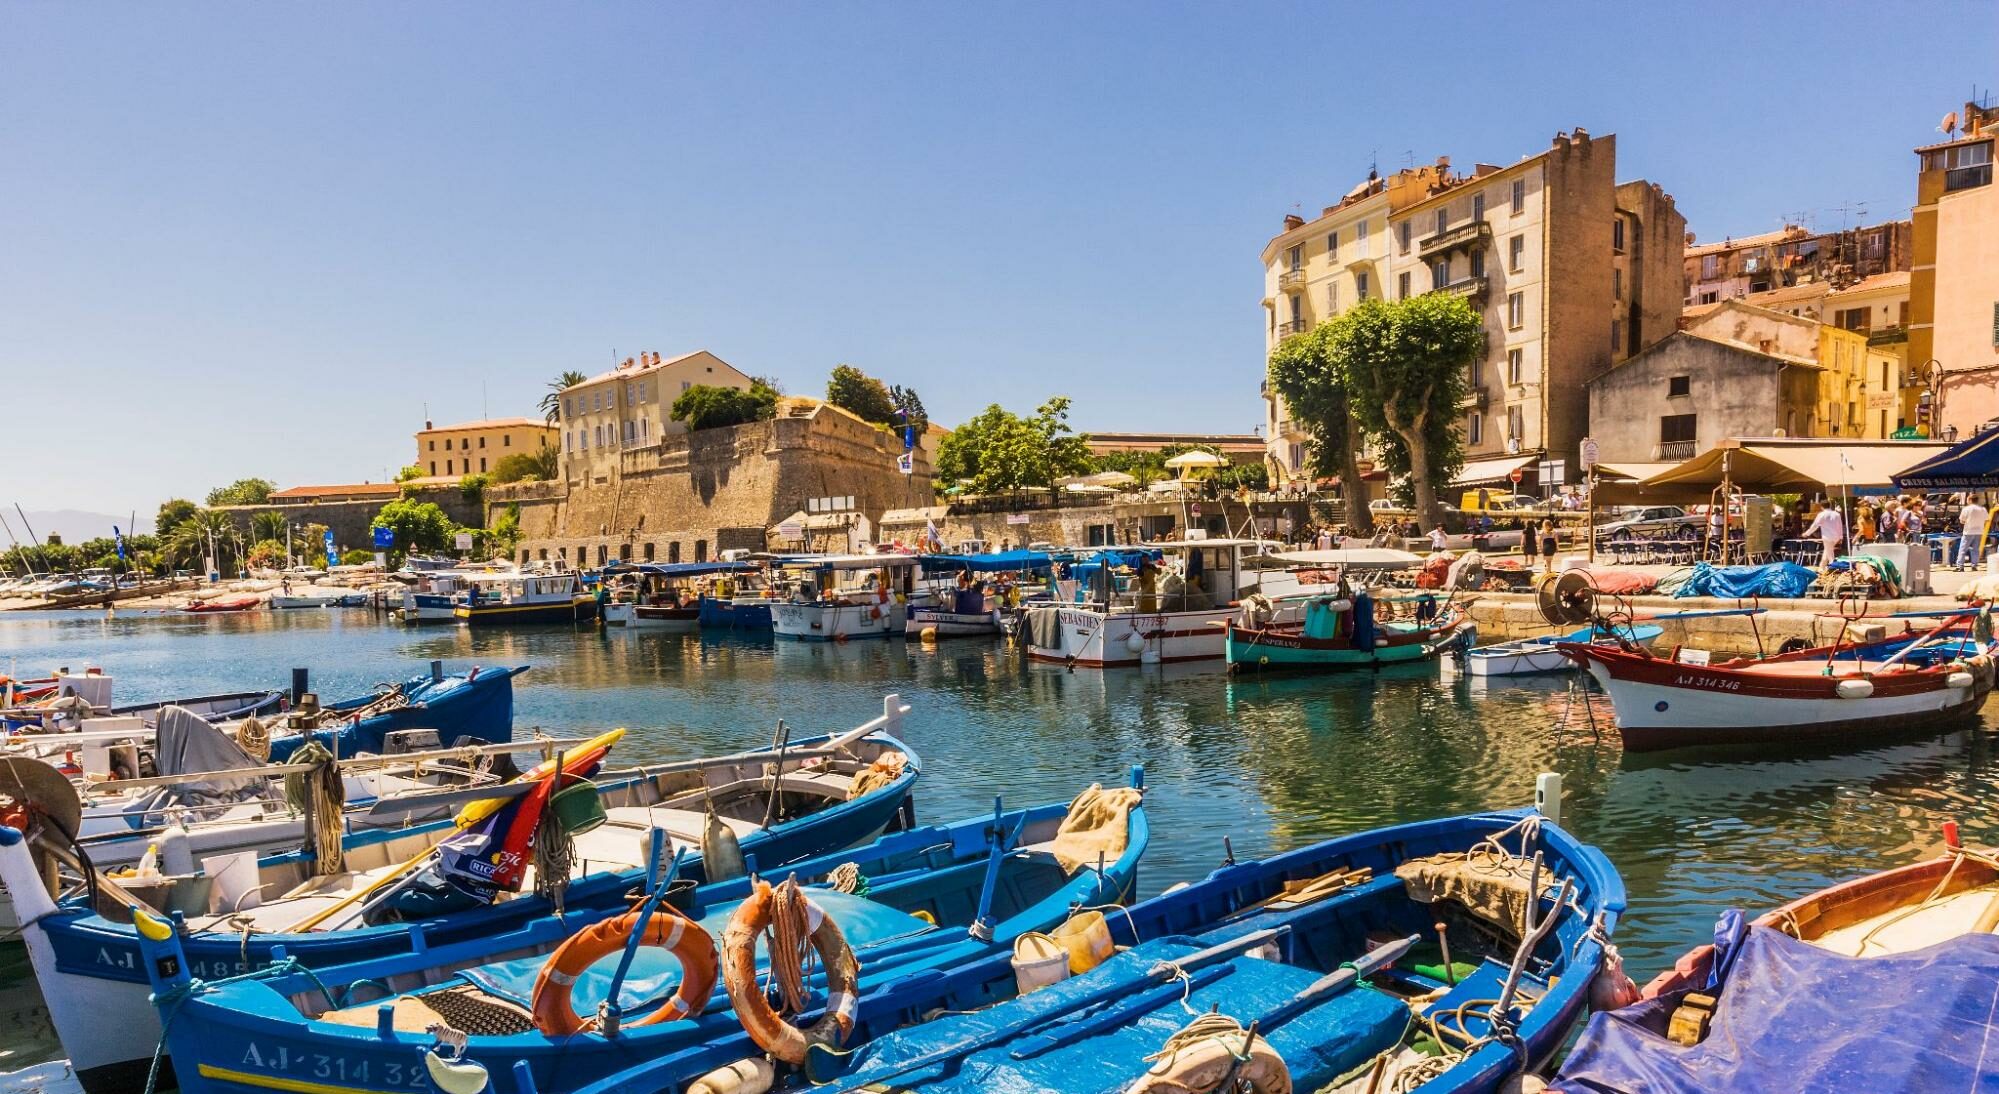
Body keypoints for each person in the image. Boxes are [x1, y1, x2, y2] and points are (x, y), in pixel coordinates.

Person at [1803, 500, 1846, 568]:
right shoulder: (1837, 514)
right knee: (1827, 551)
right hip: (1836, 537)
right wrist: (1841, 537)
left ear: (1821, 507)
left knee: (1830, 556)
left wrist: (1807, 533)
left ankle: (1834, 568)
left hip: (1827, 537)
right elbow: (1840, 526)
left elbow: (1815, 525)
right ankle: (1821, 567)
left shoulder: (1821, 514)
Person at [1959, 496, 1990, 571]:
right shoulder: (1983, 509)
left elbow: (1961, 521)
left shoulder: (1966, 509)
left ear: (1970, 500)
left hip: (1968, 532)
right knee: (1975, 550)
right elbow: (1986, 520)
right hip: (1979, 532)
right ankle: (1974, 566)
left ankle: (1960, 566)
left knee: (1963, 549)